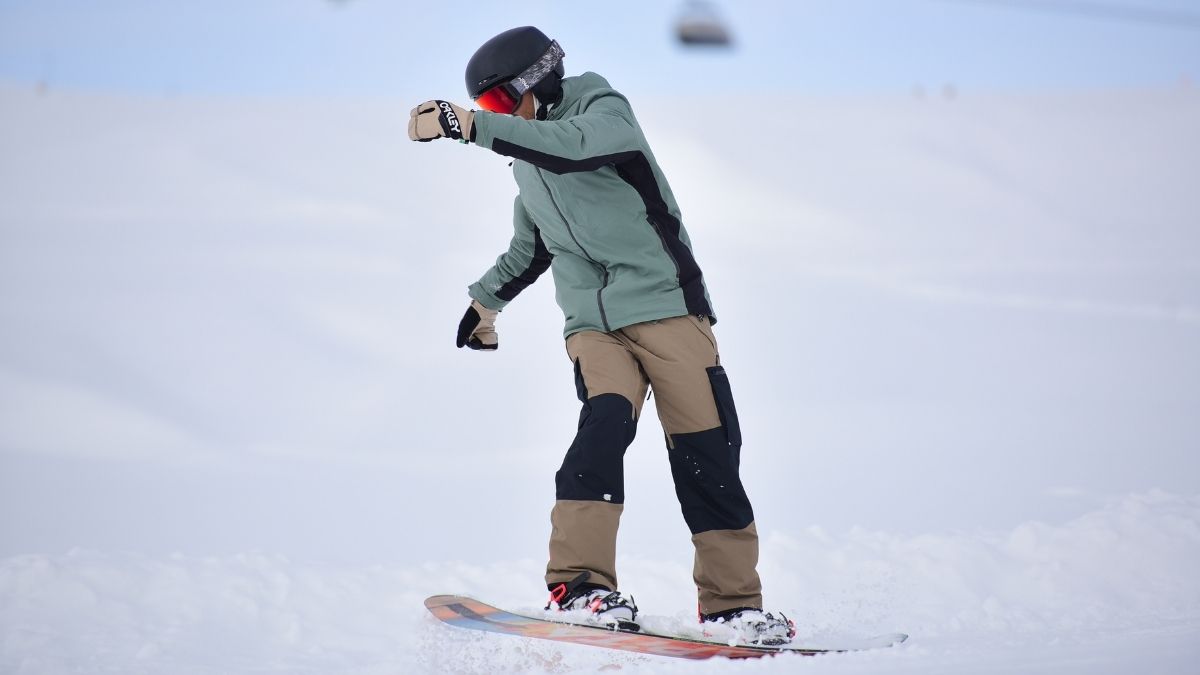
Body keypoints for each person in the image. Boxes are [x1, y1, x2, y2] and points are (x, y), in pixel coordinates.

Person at [408, 26, 794, 645]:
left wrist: (470, 127)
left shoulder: (604, 114)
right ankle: (582, 587)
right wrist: (484, 303)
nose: (494, 117)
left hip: (668, 310)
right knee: (603, 424)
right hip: (593, 325)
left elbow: (572, 148)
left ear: (536, 81)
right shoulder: (529, 164)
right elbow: (529, 249)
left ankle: (732, 606)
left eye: (499, 103)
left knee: (707, 452)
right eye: (486, 110)